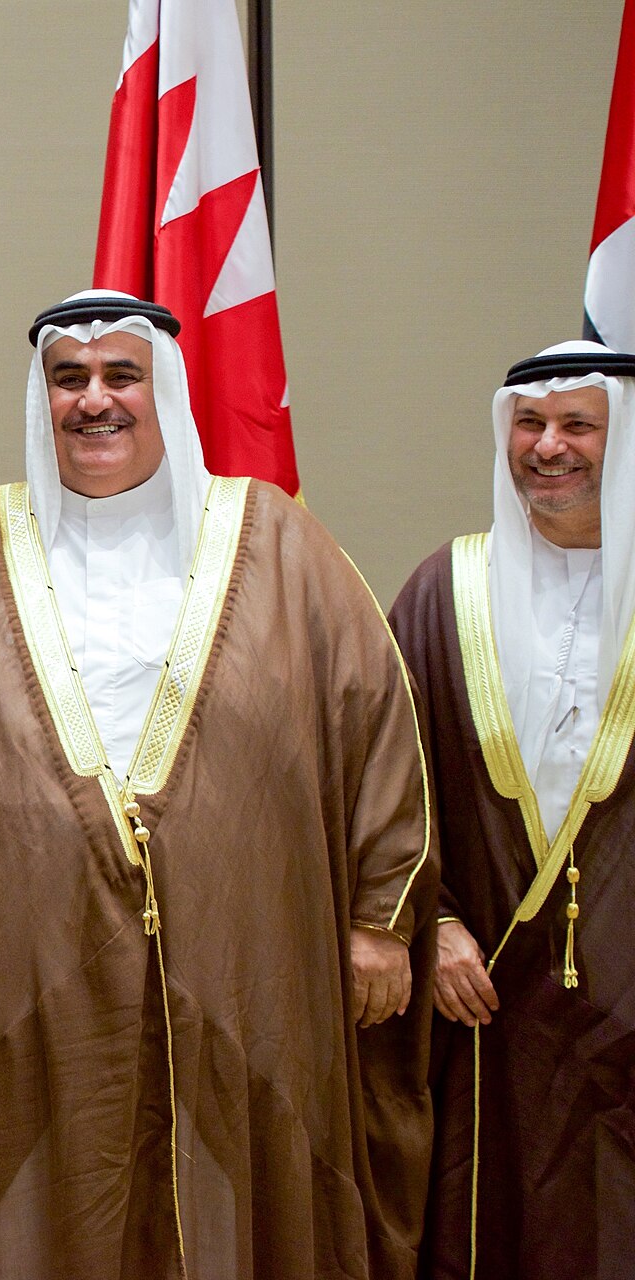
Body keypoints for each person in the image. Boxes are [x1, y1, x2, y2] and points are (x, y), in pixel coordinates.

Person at [0, 291, 437, 1279]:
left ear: (165, 390)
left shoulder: (278, 543)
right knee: (11, 1201)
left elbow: (374, 723)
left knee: (232, 1200)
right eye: (69, 378)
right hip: (9, 960)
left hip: (240, 952)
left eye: (120, 375)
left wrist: (377, 920)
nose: (94, 400)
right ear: (41, 397)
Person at [390, 341, 635, 1278]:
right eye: (529, 424)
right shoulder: (445, 590)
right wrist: (433, 919)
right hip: (484, 1003)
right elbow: (382, 784)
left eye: (579, 425)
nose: (548, 447)